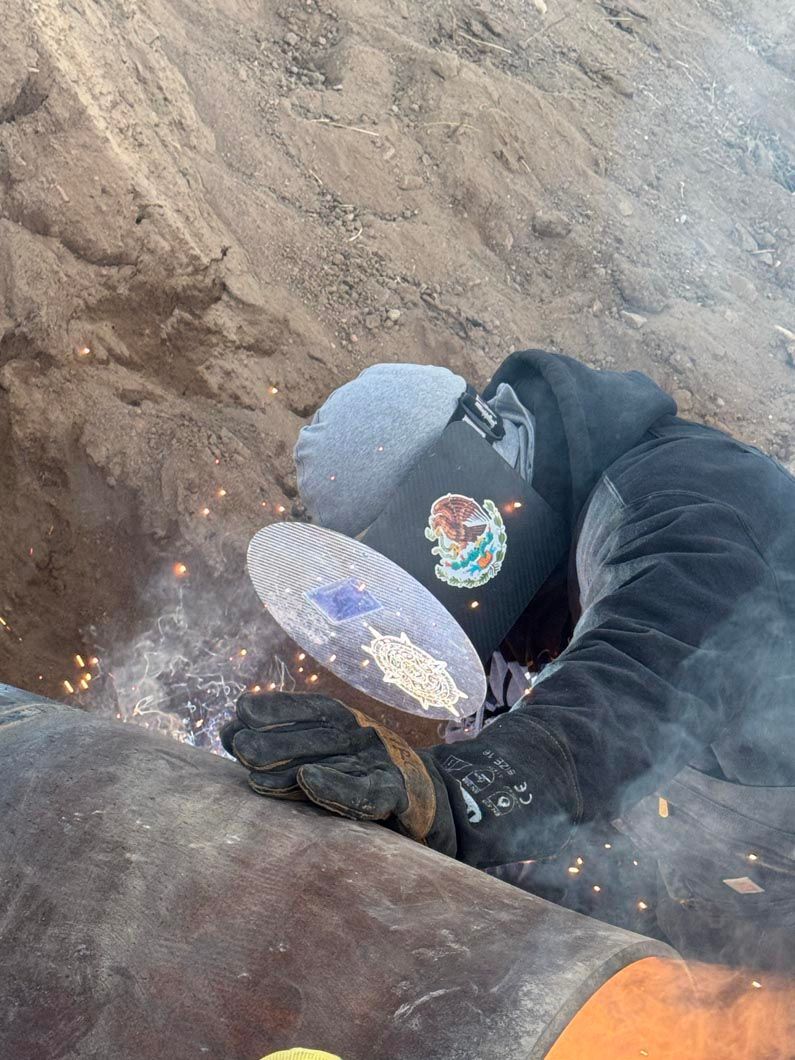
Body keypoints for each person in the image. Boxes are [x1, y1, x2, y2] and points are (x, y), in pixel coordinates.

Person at [222, 351, 795, 969]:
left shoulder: (689, 495)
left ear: (459, 494)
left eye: (426, 564)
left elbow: (638, 681)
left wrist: (452, 793)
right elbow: (526, 769)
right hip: (709, 862)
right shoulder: (523, 566)